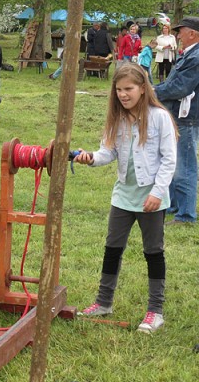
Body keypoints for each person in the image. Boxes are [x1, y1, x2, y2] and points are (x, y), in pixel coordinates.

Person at [75, 62, 177, 335]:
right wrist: (90, 158)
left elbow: (169, 160)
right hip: (123, 196)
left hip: (151, 199)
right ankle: (104, 302)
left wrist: (157, 193)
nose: (123, 94)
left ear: (143, 89)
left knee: (153, 252)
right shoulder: (117, 118)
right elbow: (107, 152)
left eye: (128, 89)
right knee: (112, 249)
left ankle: (155, 311)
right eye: (118, 89)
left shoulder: (159, 117)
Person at [154, 17, 199, 225]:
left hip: (186, 119)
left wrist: (152, 92)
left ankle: (186, 215)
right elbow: (173, 82)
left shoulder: (196, 57)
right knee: (172, 164)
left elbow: (181, 87)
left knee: (185, 167)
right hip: (177, 116)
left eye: (181, 31)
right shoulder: (188, 54)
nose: (178, 35)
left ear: (193, 34)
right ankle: (173, 205)